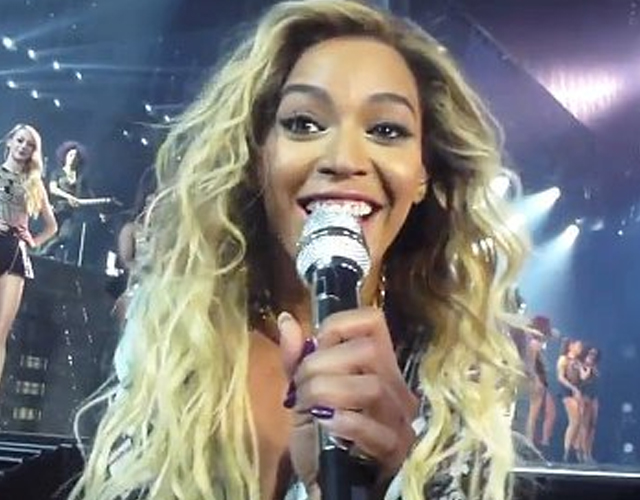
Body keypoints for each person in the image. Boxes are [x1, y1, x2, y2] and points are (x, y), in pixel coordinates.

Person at [70, 1, 529, 499]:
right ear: (256, 156)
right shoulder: (174, 327)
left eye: (386, 130)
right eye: (305, 123)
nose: (344, 159)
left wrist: (385, 484)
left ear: (423, 174)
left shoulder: (453, 377)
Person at [0, 124, 57, 381]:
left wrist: (32, 241)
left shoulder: (33, 183)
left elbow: (52, 226)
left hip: (14, 253)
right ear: (10, 141)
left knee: (1, 332)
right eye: (20, 140)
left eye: (30, 144)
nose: (24, 147)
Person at [524, 316, 556, 458]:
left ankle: (531, 442)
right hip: (537, 379)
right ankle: (529, 442)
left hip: (540, 379)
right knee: (533, 414)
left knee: (539, 414)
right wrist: (535, 379)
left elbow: (554, 334)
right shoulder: (534, 344)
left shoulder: (536, 342)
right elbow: (530, 365)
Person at [556, 338, 584, 463]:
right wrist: (572, 388)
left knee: (579, 422)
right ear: (571, 346)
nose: (580, 349)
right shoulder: (563, 359)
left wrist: (584, 369)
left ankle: (576, 449)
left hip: (577, 391)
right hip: (567, 391)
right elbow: (560, 377)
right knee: (574, 421)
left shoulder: (577, 361)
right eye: (578, 346)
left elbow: (582, 377)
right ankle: (567, 451)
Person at [578, 346, 600, 463]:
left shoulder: (595, 367)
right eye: (590, 353)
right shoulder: (582, 365)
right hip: (585, 396)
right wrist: (589, 369)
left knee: (592, 426)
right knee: (584, 425)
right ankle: (582, 452)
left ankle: (589, 452)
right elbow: (583, 377)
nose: (592, 356)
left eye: (594, 354)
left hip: (594, 396)